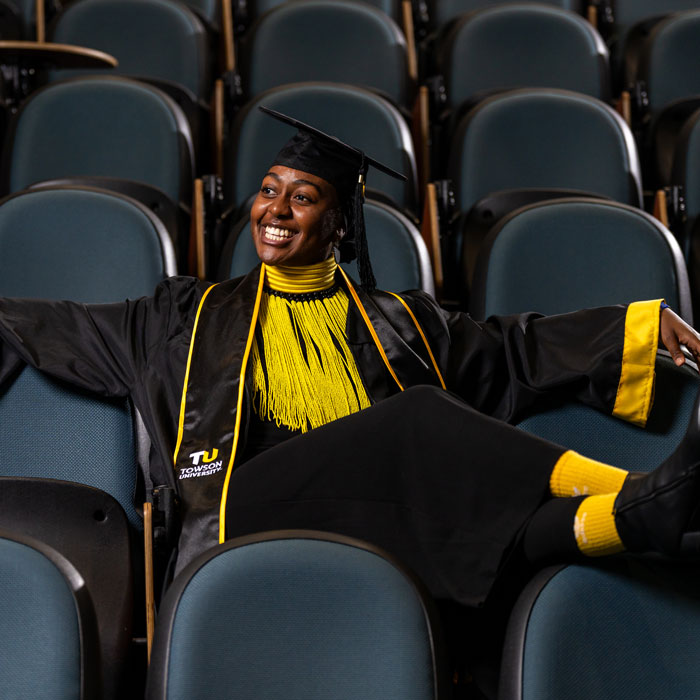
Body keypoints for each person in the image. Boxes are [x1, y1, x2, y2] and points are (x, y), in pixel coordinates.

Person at [1, 107, 700, 614]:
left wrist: (632, 328)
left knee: (474, 521)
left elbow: (513, 352)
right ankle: (633, 489)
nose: (275, 208)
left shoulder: (403, 325)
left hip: (379, 530)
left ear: (340, 225)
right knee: (422, 416)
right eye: (269, 189)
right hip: (240, 519)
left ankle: (624, 521)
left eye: (302, 197)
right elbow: (53, 325)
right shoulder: (183, 318)